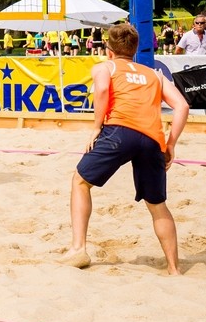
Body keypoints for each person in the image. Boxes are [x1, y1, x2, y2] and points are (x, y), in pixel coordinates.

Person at [60, 22, 189, 274]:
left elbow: (103, 90)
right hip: (152, 138)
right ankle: (174, 268)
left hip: (120, 131)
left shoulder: (105, 67)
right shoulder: (154, 74)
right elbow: (182, 106)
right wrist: (170, 143)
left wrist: (97, 127)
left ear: (109, 49)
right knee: (157, 204)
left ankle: (78, 248)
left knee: (80, 182)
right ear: (135, 49)